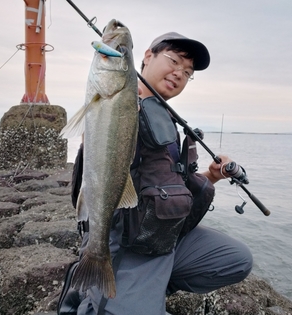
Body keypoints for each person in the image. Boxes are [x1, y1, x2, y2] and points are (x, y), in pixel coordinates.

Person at [59, 32, 253, 315]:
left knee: (236, 260)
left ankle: (151, 285)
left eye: (187, 72)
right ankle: (104, 292)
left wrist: (210, 177)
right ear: (147, 56)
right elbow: (96, 152)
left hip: (161, 237)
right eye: (173, 60)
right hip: (122, 239)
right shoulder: (121, 104)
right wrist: (120, 96)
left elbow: (169, 184)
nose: (179, 73)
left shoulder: (166, 121)